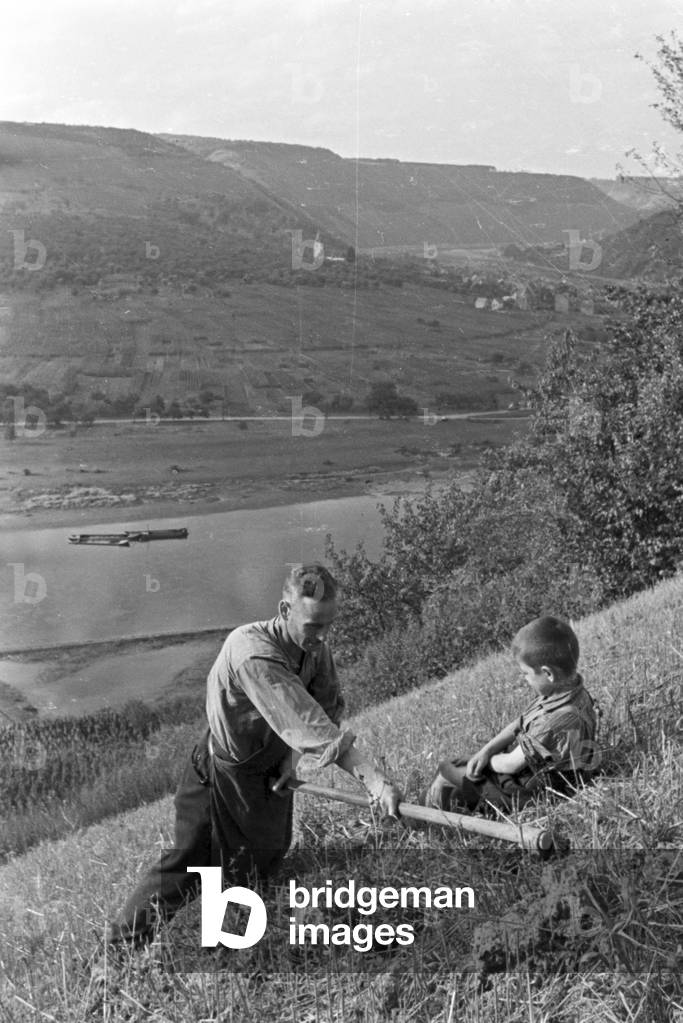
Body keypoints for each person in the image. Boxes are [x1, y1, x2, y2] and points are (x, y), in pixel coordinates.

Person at [104, 563, 402, 948]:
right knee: (189, 865)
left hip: (268, 765)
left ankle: (233, 929)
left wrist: (291, 760)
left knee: (265, 858)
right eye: (314, 626)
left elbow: (326, 707)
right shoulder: (254, 655)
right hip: (220, 775)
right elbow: (314, 726)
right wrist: (375, 781)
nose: (323, 636)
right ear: (284, 611)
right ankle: (120, 949)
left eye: (329, 625)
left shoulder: (314, 647)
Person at [423, 616, 598, 815]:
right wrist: (486, 751)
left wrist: (484, 763)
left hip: (536, 792)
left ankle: (421, 823)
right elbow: (519, 724)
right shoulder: (569, 692)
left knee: (446, 769)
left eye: (525, 673)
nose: (524, 679)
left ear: (547, 673)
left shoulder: (554, 721)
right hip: (543, 776)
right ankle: (453, 807)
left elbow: (511, 765)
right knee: (458, 787)